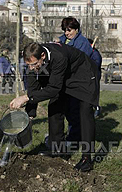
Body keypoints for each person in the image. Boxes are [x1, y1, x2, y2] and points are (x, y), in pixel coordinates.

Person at [10, 42, 99, 172]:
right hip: (64, 76)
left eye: (34, 64)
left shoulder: (58, 57)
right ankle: (57, 150)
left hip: (84, 75)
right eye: (28, 65)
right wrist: (30, 114)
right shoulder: (33, 62)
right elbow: (34, 86)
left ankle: (87, 159)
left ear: (42, 56)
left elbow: (53, 89)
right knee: (54, 108)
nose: (32, 68)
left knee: (85, 114)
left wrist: (25, 98)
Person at [58, 17, 95, 144]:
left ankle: (74, 138)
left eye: (69, 30)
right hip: (65, 81)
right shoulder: (62, 40)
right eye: (65, 30)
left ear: (76, 29)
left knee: (74, 111)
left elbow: (79, 63)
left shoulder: (82, 43)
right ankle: (72, 135)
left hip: (77, 82)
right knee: (67, 110)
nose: (67, 33)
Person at [88, 38, 102, 117]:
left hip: (95, 76)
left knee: (94, 93)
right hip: (88, 77)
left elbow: (96, 64)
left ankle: (97, 108)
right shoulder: (87, 52)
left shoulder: (95, 54)